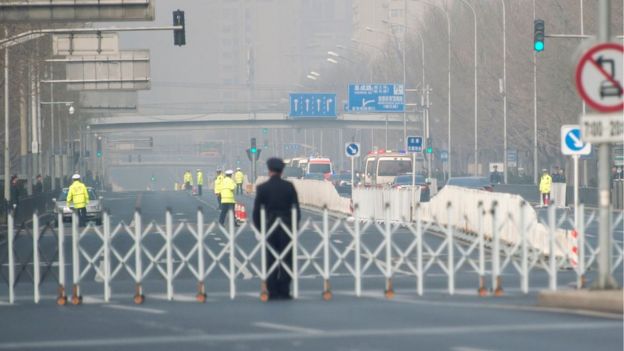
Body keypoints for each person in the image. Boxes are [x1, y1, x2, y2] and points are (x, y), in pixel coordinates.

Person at [253, 158, 301, 300]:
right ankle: (284, 289)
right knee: (287, 258)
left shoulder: (262, 188)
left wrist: (261, 229)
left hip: (270, 226)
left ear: (269, 170)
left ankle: (272, 289)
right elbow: (296, 209)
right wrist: (294, 227)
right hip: (286, 226)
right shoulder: (289, 187)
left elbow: (257, 212)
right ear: (282, 170)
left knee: (271, 259)